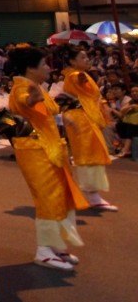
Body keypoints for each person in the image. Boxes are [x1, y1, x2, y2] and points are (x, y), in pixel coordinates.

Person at [4, 45, 89, 270]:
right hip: (35, 151)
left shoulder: (35, 87)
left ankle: (55, 246)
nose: (48, 68)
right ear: (31, 69)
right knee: (48, 199)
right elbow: (23, 102)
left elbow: (46, 115)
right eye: (44, 64)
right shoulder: (22, 89)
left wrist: (64, 120)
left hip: (49, 149)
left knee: (60, 196)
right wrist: (31, 100)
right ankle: (44, 249)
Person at [54, 45, 118, 211]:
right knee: (89, 154)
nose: (87, 60)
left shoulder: (76, 76)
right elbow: (89, 97)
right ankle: (91, 194)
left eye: (86, 57)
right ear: (72, 61)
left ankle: (91, 193)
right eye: (82, 58)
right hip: (81, 118)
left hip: (84, 117)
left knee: (91, 153)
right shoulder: (77, 76)